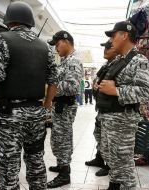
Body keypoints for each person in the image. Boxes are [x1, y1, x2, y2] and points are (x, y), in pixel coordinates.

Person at [0, 2, 58, 190]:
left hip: (10, 115)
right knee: (36, 160)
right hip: (37, 112)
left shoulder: (1, 40)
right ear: (30, 22)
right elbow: (54, 79)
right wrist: (46, 105)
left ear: (9, 21)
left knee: (8, 166)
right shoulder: (46, 47)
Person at [96, 21, 149, 190]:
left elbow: (146, 91)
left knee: (123, 160)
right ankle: (114, 185)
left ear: (125, 35)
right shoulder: (119, 60)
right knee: (111, 157)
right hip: (109, 118)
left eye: (114, 35)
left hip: (123, 120)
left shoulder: (139, 60)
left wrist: (116, 91)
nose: (111, 39)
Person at [47, 30, 84, 188]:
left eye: (57, 44)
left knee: (63, 139)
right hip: (59, 105)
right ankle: (61, 165)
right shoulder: (65, 60)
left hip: (65, 106)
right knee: (57, 138)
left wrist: (49, 89)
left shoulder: (73, 61)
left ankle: (65, 174)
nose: (56, 48)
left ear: (66, 41)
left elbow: (72, 86)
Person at [85, 40, 118, 177]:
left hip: (112, 111)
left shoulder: (118, 65)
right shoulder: (107, 65)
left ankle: (109, 165)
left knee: (108, 139)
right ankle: (100, 158)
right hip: (102, 108)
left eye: (108, 47)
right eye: (104, 47)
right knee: (98, 134)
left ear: (116, 49)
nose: (105, 50)